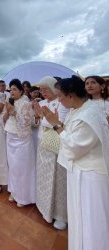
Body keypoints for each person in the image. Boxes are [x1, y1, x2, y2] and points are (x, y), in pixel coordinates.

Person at [42, 75, 109, 250]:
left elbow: (73, 147)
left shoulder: (90, 115)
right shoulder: (77, 110)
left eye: (61, 96)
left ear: (71, 95)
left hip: (90, 176)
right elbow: (70, 133)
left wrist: (56, 125)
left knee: (91, 222)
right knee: (79, 218)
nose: (60, 100)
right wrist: (58, 123)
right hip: (79, 172)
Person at [33, 76, 68, 230]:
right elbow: (42, 123)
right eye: (41, 89)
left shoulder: (62, 103)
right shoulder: (41, 103)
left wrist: (42, 116)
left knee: (57, 179)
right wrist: (40, 117)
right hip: (43, 143)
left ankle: (59, 214)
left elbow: (60, 122)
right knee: (44, 176)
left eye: (45, 89)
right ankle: (42, 205)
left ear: (54, 88)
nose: (42, 92)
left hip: (55, 145)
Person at [4, 79, 35, 207]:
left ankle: (23, 196)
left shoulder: (26, 103)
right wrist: (7, 111)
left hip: (22, 139)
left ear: (21, 91)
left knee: (22, 168)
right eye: (10, 89)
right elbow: (4, 119)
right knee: (13, 167)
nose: (12, 92)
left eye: (15, 89)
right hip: (10, 137)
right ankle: (14, 191)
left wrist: (14, 111)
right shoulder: (10, 102)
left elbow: (27, 124)